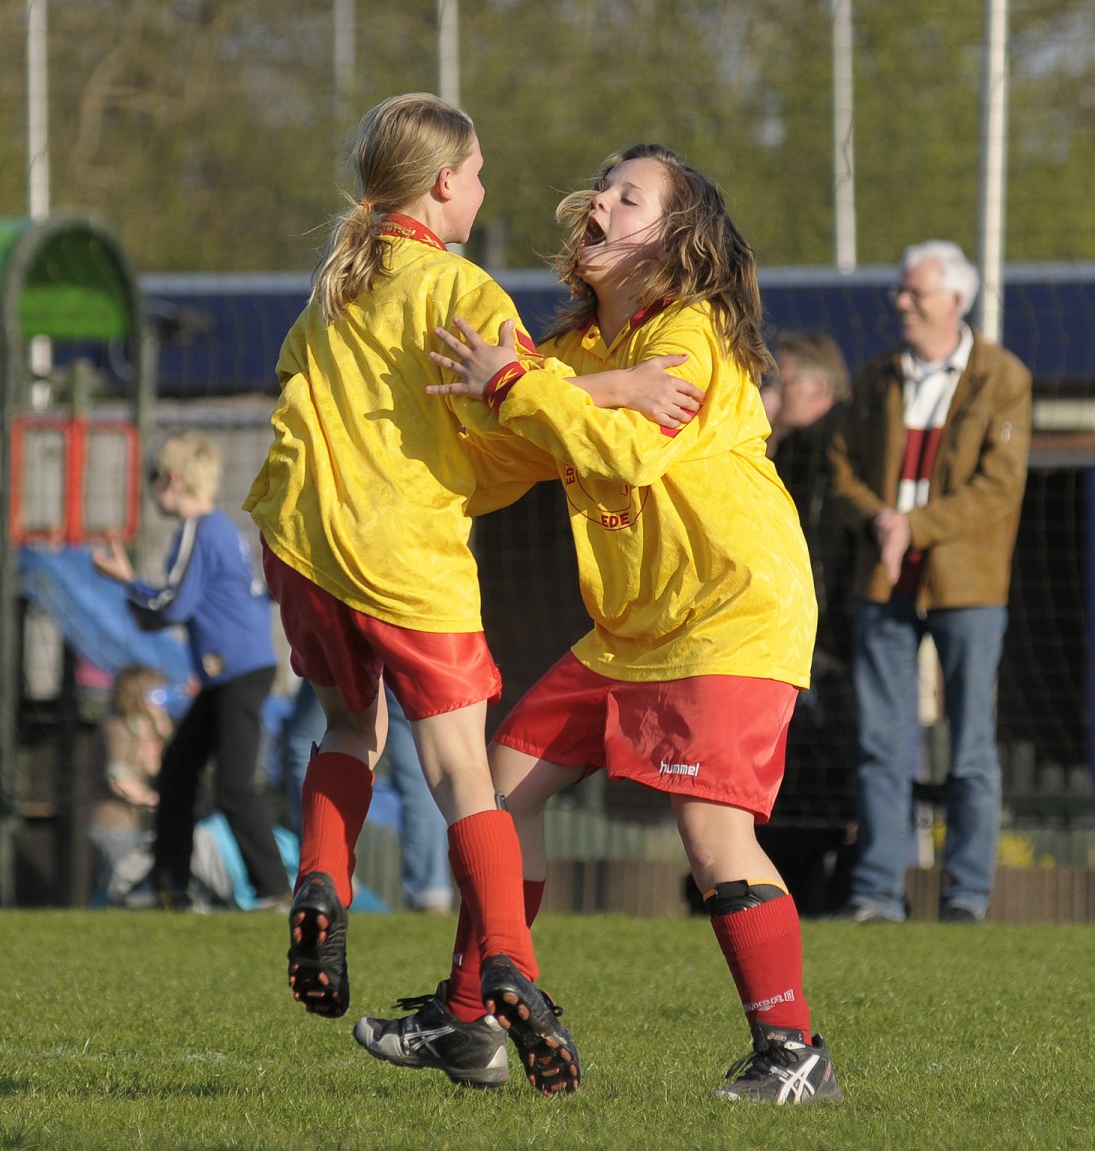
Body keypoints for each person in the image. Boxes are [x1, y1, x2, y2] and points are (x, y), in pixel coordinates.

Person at [357, 143, 841, 1105]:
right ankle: (470, 1020)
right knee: (500, 790)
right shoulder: (579, 351)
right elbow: (509, 429)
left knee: (710, 836)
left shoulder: (694, 331)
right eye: (602, 189)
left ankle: (794, 1054)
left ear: (677, 244)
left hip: (729, 610)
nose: (600, 203)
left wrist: (524, 388)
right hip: (634, 624)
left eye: (632, 197)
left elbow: (620, 455)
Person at [241, 93, 692, 1096]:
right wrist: (621, 390)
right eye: (480, 173)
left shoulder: (332, 289)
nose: (485, 191)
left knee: (347, 731)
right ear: (445, 183)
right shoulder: (460, 288)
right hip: (408, 557)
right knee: (462, 778)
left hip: (302, 544)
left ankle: (322, 878)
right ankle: (512, 973)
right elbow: (520, 409)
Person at [827, 239, 1032, 925]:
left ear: (955, 300)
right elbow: (840, 469)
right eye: (901, 288)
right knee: (879, 743)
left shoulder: (1001, 377)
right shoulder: (877, 376)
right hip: (883, 585)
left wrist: (912, 526)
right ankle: (877, 893)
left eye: (915, 291)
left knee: (971, 743)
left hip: (967, 586)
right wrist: (879, 518)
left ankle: (966, 895)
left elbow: (997, 488)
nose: (901, 301)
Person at [93, 431, 290, 911]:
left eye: (154, 478)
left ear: (173, 480)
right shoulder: (222, 528)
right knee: (179, 770)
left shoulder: (198, 530)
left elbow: (172, 603)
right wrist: (145, 604)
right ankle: (170, 886)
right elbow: (176, 608)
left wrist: (127, 582)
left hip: (239, 674)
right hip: (232, 675)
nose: (152, 488)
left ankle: (276, 891)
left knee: (234, 784)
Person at [756, 330, 860, 915]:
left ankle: (839, 892)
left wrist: (831, 639)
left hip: (832, 643)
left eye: (784, 380)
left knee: (834, 772)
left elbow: (834, 555)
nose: (775, 392)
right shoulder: (793, 448)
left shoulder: (836, 448)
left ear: (819, 387)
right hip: (807, 639)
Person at [277, 678, 453, 913]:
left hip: (355, 643)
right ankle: (431, 892)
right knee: (417, 756)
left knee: (328, 734)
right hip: (414, 643)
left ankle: (326, 876)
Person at [88, 663, 171, 904]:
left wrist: (160, 730)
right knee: (116, 883)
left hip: (133, 822)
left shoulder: (140, 728)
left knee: (118, 883)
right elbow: (118, 777)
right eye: (156, 695)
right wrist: (152, 799)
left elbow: (152, 766)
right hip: (113, 823)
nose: (161, 702)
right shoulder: (118, 728)